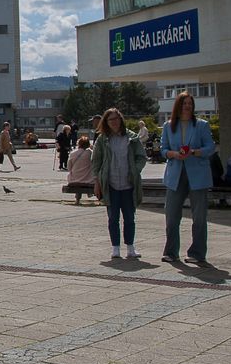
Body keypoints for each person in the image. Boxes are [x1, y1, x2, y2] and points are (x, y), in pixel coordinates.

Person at [161, 91, 216, 264]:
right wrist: (173, 154)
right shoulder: (168, 126)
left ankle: (197, 253)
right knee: (171, 215)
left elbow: (210, 147)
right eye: (184, 103)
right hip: (175, 174)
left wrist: (194, 152)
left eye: (190, 104)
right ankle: (171, 252)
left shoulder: (201, 125)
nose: (187, 107)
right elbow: (163, 149)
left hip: (197, 174)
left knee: (199, 216)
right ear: (178, 106)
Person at [92, 107, 148, 260]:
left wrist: (135, 171)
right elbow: (95, 162)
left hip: (128, 184)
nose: (114, 122)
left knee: (129, 217)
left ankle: (130, 247)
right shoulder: (102, 139)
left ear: (121, 119)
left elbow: (141, 157)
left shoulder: (132, 137)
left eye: (116, 119)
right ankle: (115, 248)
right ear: (106, 122)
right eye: (111, 120)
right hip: (110, 185)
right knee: (112, 218)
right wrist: (97, 181)